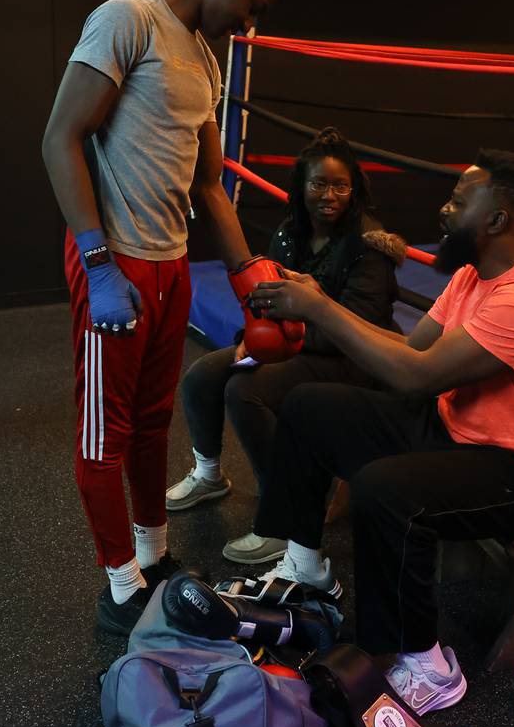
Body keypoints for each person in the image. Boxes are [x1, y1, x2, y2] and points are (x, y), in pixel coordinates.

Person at [243, 149, 514, 715]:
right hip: (456, 429)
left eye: (459, 200)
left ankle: (426, 663)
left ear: (497, 219)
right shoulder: (473, 275)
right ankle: (306, 568)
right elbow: (411, 347)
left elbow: (414, 375)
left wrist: (321, 310)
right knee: (308, 405)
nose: (445, 210)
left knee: (386, 490)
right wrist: (321, 303)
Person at [40, 0, 292, 636]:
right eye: (252, 4)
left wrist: (248, 276)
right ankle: (120, 580)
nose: (249, 22)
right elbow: (58, 138)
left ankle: (153, 553)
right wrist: (96, 264)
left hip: (171, 266)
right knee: (105, 434)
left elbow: (210, 185)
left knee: (154, 424)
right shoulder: (128, 20)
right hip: (113, 262)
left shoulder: (207, 62)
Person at [166, 128, 406, 566]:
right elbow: (267, 300)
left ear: (354, 190)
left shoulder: (368, 247)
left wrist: (277, 343)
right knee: (204, 375)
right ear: (302, 186)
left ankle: (285, 519)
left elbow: (361, 328)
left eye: (340, 185)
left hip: (352, 359)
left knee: (245, 390)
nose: (329, 194)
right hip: (296, 346)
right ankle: (209, 474)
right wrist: (250, 340)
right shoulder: (289, 235)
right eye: (319, 184)